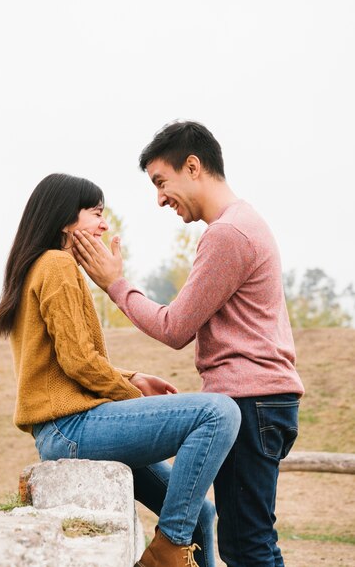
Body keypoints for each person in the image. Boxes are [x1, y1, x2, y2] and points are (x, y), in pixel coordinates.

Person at [73, 121, 305, 567]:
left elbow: (175, 327)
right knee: (247, 539)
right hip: (264, 402)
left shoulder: (228, 234)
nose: (159, 197)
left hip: (252, 400)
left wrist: (114, 285)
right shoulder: (243, 224)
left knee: (249, 545)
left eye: (161, 181)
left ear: (193, 166)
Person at [0, 172, 241, 567]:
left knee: (202, 516)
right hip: (71, 428)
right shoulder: (56, 265)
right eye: (96, 213)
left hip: (68, 428)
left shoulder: (41, 266)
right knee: (219, 411)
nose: (105, 224)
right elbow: (78, 362)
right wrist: (134, 395)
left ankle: (173, 545)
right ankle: (166, 551)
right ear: (64, 219)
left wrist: (131, 378)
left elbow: (70, 358)